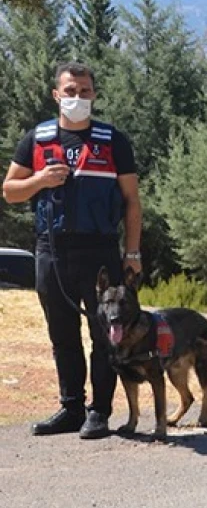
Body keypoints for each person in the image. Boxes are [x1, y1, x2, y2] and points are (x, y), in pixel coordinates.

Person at [2, 62, 142, 439]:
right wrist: (39, 179)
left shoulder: (114, 142)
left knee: (105, 332)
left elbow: (131, 201)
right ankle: (70, 407)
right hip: (52, 249)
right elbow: (9, 191)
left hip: (99, 249)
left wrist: (132, 253)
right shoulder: (37, 139)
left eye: (84, 91)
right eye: (70, 91)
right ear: (56, 95)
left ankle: (99, 411)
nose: (77, 98)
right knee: (61, 333)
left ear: (94, 95)